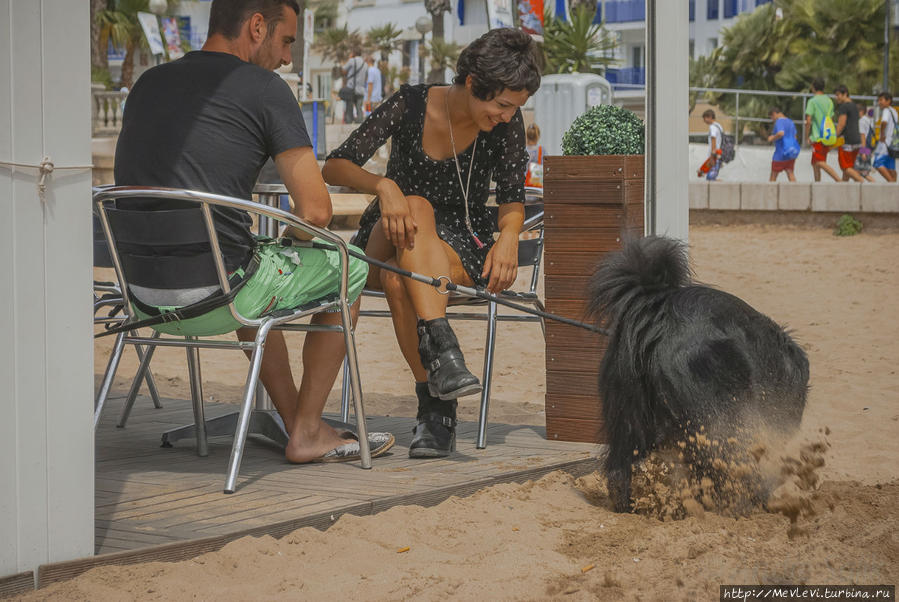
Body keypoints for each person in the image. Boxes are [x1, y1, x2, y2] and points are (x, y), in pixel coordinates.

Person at [114, 0, 392, 464]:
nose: (287, 58)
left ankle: (291, 420)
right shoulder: (265, 88)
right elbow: (317, 210)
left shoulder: (147, 84)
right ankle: (305, 429)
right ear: (257, 26)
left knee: (244, 257)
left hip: (142, 297)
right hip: (219, 295)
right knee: (349, 265)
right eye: (286, 42)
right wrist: (296, 243)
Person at [322, 28, 541, 458]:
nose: (506, 115)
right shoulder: (411, 103)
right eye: (500, 105)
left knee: (401, 284)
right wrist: (384, 186)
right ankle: (442, 366)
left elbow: (513, 197)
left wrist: (510, 235)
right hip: (389, 230)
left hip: (461, 238)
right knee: (416, 204)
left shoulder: (507, 123)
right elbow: (335, 165)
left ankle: (435, 399)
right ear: (473, 84)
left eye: (515, 108)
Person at [804, 78, 840, 182]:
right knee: (815, 163)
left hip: (817, 136)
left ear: (813, 87)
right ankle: (817, 184)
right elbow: (831, 119)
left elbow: (808, 121)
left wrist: (807, 137)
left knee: (819, 162)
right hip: (827, 135)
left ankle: (838, 180)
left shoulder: (812, 101)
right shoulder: (829, 101)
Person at [833, 85, 864, 182]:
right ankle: (844, 190)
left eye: (838, 95)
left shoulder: (844, 106)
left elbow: (841, 124)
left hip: (846, 141)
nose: (836, 97)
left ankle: (862, 183)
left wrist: (834, 137)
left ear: (845, 94)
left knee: (845, 167)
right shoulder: (854, 106)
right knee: (849, 167)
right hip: (856, 140)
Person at [766, 107, 798, 182]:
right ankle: (796, 192)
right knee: (790, 173)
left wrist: (772, 138)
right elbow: (795, 137)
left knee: (773, 175)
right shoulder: (790, 122)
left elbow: (781, 133)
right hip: (790, 153)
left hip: (780, 154)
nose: (772, 120)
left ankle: (770, 193)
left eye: (771, 117)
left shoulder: (779, 122)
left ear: (774, 114)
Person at [873, 91, 897, 183]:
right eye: (879, 100)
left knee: (877, 163)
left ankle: (891, 183)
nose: (879, 102)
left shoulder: (886, 110)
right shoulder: (894, 111)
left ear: (888, 101)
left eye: (881, 100)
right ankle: (895, 188)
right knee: (891, 167)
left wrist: (882, 134)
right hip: (893, 144)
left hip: (885, 143)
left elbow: (884, 122)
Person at [342, 47, 366, 123]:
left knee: (349, 109)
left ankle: (348, 126)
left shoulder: (352, 61)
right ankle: (360, 124)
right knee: (359, 108)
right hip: (361, 89)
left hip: (351, 88)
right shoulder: (364, 63)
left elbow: (343, 71)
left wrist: (349, 58)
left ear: (354, 53)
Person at [699, 109, 723, 181]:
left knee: (710, 179)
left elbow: (713, 141)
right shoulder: (719, 126)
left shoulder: (712, 127)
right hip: (719, 154)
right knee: (712, 177)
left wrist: (712, 157)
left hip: (714, 155)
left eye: (705, 118)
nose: (704, 121)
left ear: (710, 117)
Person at [856, 103, 877, 182]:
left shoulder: (861, 121)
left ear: (861, 111)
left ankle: (874, 185)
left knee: (862, 173)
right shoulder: (868, 120)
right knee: (860, 172)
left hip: (864, 149)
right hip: (868, 148)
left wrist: (863, 152)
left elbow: (863, 136)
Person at [524, 123, 543, 187]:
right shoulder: (541, 150)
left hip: (524, 186)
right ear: (538, 136)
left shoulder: (523, 150)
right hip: (537, 186)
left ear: (527, 135)